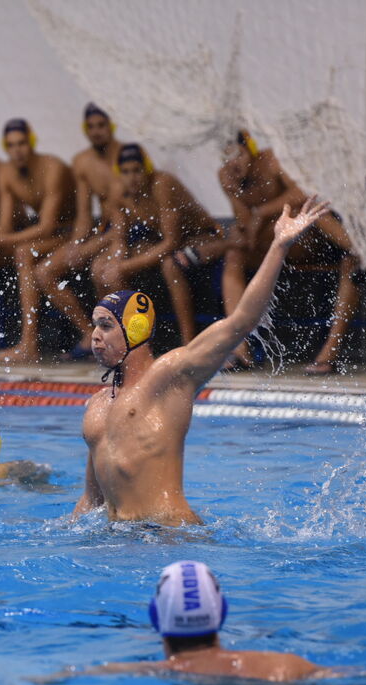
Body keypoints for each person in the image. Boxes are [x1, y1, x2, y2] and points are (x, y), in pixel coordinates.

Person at [75, 197, 333, 526]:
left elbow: (241, 321)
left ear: (136, 329)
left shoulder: (170, 376)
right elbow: (91, 500)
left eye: (106, 325)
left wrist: (278, 246)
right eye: (95, 326)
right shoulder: (97, 406)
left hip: (172, 535)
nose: (95, 336)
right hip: (122, 538)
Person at [37, 561, 334, 683]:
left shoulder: (137, 672)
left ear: (155, 617)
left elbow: (57, 680)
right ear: (222, 613)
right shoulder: (290, 666)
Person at [218, 131, 358, 374]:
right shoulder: (227, 178)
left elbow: (303, 194)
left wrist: (262, 212)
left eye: (238, 155)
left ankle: (330, 351)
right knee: (234, 257)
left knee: (316, 215)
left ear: (250, 150)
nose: (234, 163)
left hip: (310, 243)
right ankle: (240, 350)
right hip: (278, 248)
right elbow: (246, 226)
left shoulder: (273, 161)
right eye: (227, 158)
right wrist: (234, 194)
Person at [0, 118, 75, 363]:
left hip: (67, 234)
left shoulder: (53, 168)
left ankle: (29, 344)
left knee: (23, 252)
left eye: (21, 143)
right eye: (11, 145)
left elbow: (47, 226)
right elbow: (5, 224)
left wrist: (0, 240)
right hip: (40, 236)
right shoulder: (7, 173)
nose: (17, 150)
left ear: (31, 142)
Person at [93, 143, 229, 347]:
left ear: (147, 170)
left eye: (137, 171)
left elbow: (171, 242)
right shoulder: (119, 192)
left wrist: (123, 266)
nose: (132, 178)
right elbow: (119, 237)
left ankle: (188, 342)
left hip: (201, 237)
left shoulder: (162, 185)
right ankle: (130, 340)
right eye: (126, 172)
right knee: (100, 268)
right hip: (161, 241)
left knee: (169, 264)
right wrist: (115, 261)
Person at [37, 103, 123, 360]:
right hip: (103, 230)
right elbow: (84, 214)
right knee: (44, 272)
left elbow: (128, 217)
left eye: (101, 125)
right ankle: (90, 333)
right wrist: (76, 244)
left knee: (100, 269)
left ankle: (115, 339)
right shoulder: (82, 163)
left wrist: (90, 247)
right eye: (91, 127)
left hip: (125, 232)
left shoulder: (126, 158)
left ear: (111, 126)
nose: (97, 131)